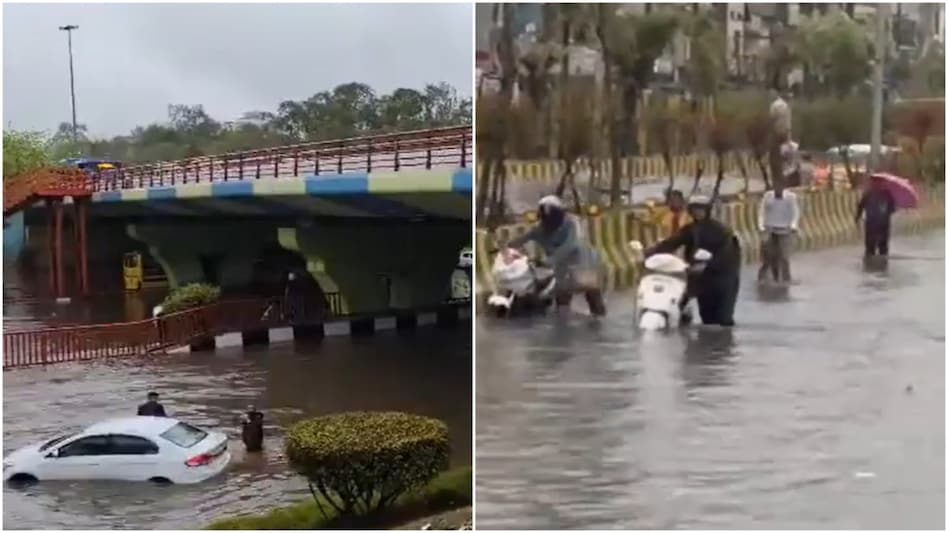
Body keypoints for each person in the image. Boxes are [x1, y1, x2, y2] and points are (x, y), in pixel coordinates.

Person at [645, 195, 741, 327]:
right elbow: (671, 243)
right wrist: (649, 253)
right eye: (695, 209)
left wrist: (708, 265)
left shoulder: (722, 231)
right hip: (701, 280)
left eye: (701, 209)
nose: (698, 212)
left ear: (707, 210)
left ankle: (726, 345)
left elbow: (729, 255)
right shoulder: (690, 230)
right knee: (707, 320)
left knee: (724, 319)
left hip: (724, 280)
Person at [505, 195, 606, 316]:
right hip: (564, 270)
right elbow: (522, 239)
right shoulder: (540, 229)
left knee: (593, 298)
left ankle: (595, 324)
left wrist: (549, 260)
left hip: (585, 265)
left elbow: (571, 245)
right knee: (563, 304)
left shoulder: (571, 224)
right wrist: (505, 246)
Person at [757, 182, 800, 283]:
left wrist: (793, 225)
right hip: (769, 228)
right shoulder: (768, 196)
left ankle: (786, 278)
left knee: (784, 256)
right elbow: (761, 212)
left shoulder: (790, 197)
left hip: (785, 229)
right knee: (768, 255)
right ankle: (762, 276)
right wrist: (761, 226)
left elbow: (795, 212)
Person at [855, 178, 896, 258]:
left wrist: (857, 218)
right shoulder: (887, 194)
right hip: (882, 223)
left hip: (872, 223)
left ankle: (870, 264)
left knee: (871, 247)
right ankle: (881, 265)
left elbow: (860, 207)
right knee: (882, 248)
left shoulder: (868, 193)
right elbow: (892, 209)